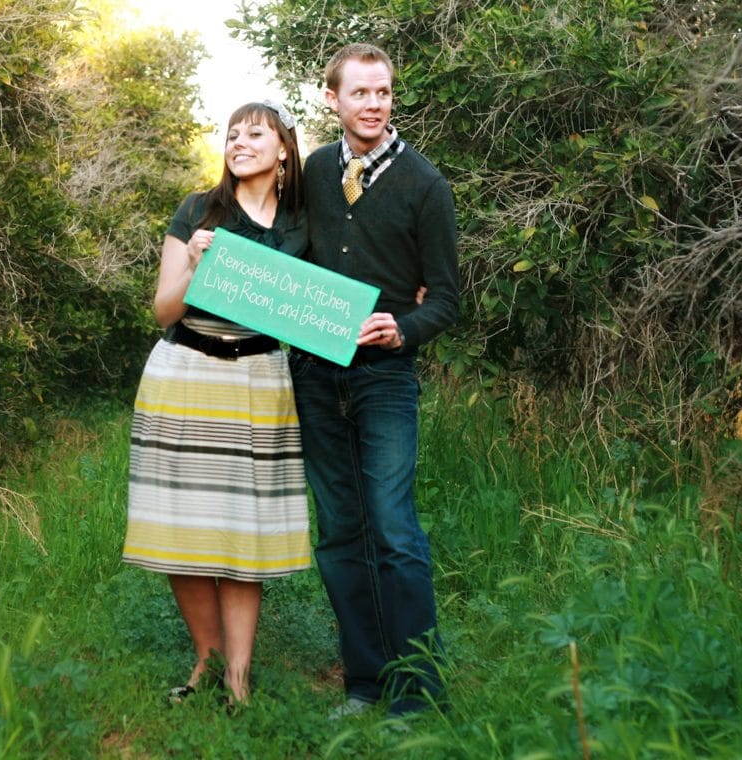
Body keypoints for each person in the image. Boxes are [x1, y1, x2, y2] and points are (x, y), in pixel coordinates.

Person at [288, 43, 460, 718]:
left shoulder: (424, 185)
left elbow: (444, 297)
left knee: (393, 530)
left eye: (383, 93)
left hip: (384, 379)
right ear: (332, 98)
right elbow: (287, 254)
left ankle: (419, 693)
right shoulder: (315, 170)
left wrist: (404, 328)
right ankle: (363, 682)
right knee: (338, 532)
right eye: (359, 93)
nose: (373, 104)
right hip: (316, 376)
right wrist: (214, 247)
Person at [122, 101, 310, 709]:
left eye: (255, 133)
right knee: (186, 528)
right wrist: (196, 265)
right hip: (184, 371)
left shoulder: (306, 220)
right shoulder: (198, 209)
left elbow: (333, 293)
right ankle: (207, 659)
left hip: (259, 381)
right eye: (232, 134)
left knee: (242, 531)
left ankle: (240, 679)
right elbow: (163, 309)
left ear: (283, 148)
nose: (239, 141)